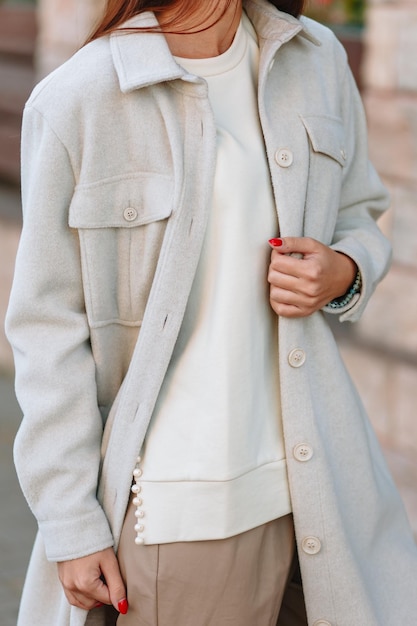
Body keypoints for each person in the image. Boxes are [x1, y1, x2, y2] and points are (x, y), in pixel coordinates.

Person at [6, 0, 417, 624]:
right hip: (185, 518)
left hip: (326, 495)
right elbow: (48, 332)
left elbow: (358, 210)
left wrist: (344, 269)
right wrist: (70, 520)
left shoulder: (317, 59)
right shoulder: (79, 99)